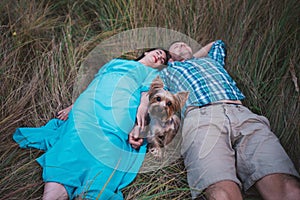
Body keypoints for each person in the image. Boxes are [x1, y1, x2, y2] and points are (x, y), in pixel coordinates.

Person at [132, 40, 300, 199]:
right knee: (220, 193)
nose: (182, 44)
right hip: (201, 119)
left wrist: (190, 57)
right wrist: (141, 125)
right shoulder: (167, 73)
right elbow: (152, 97)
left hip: (243, 114)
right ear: (169, 58)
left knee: (288, 188)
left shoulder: (213, 61)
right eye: (175, 46)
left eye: (184, 43)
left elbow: (218, 43)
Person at [13, 48, 170, 200]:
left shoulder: (154, 74)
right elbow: (96, 82)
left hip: (122, 103)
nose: (159, 58)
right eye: (158, 53)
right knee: (76, 133)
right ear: (146, 52)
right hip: (92, 99)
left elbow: (147, 95)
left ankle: (90, 190)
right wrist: (73, 106)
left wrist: (140, 115)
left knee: (111, 137)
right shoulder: (116, 62)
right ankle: (56, 190)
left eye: (163, 60)